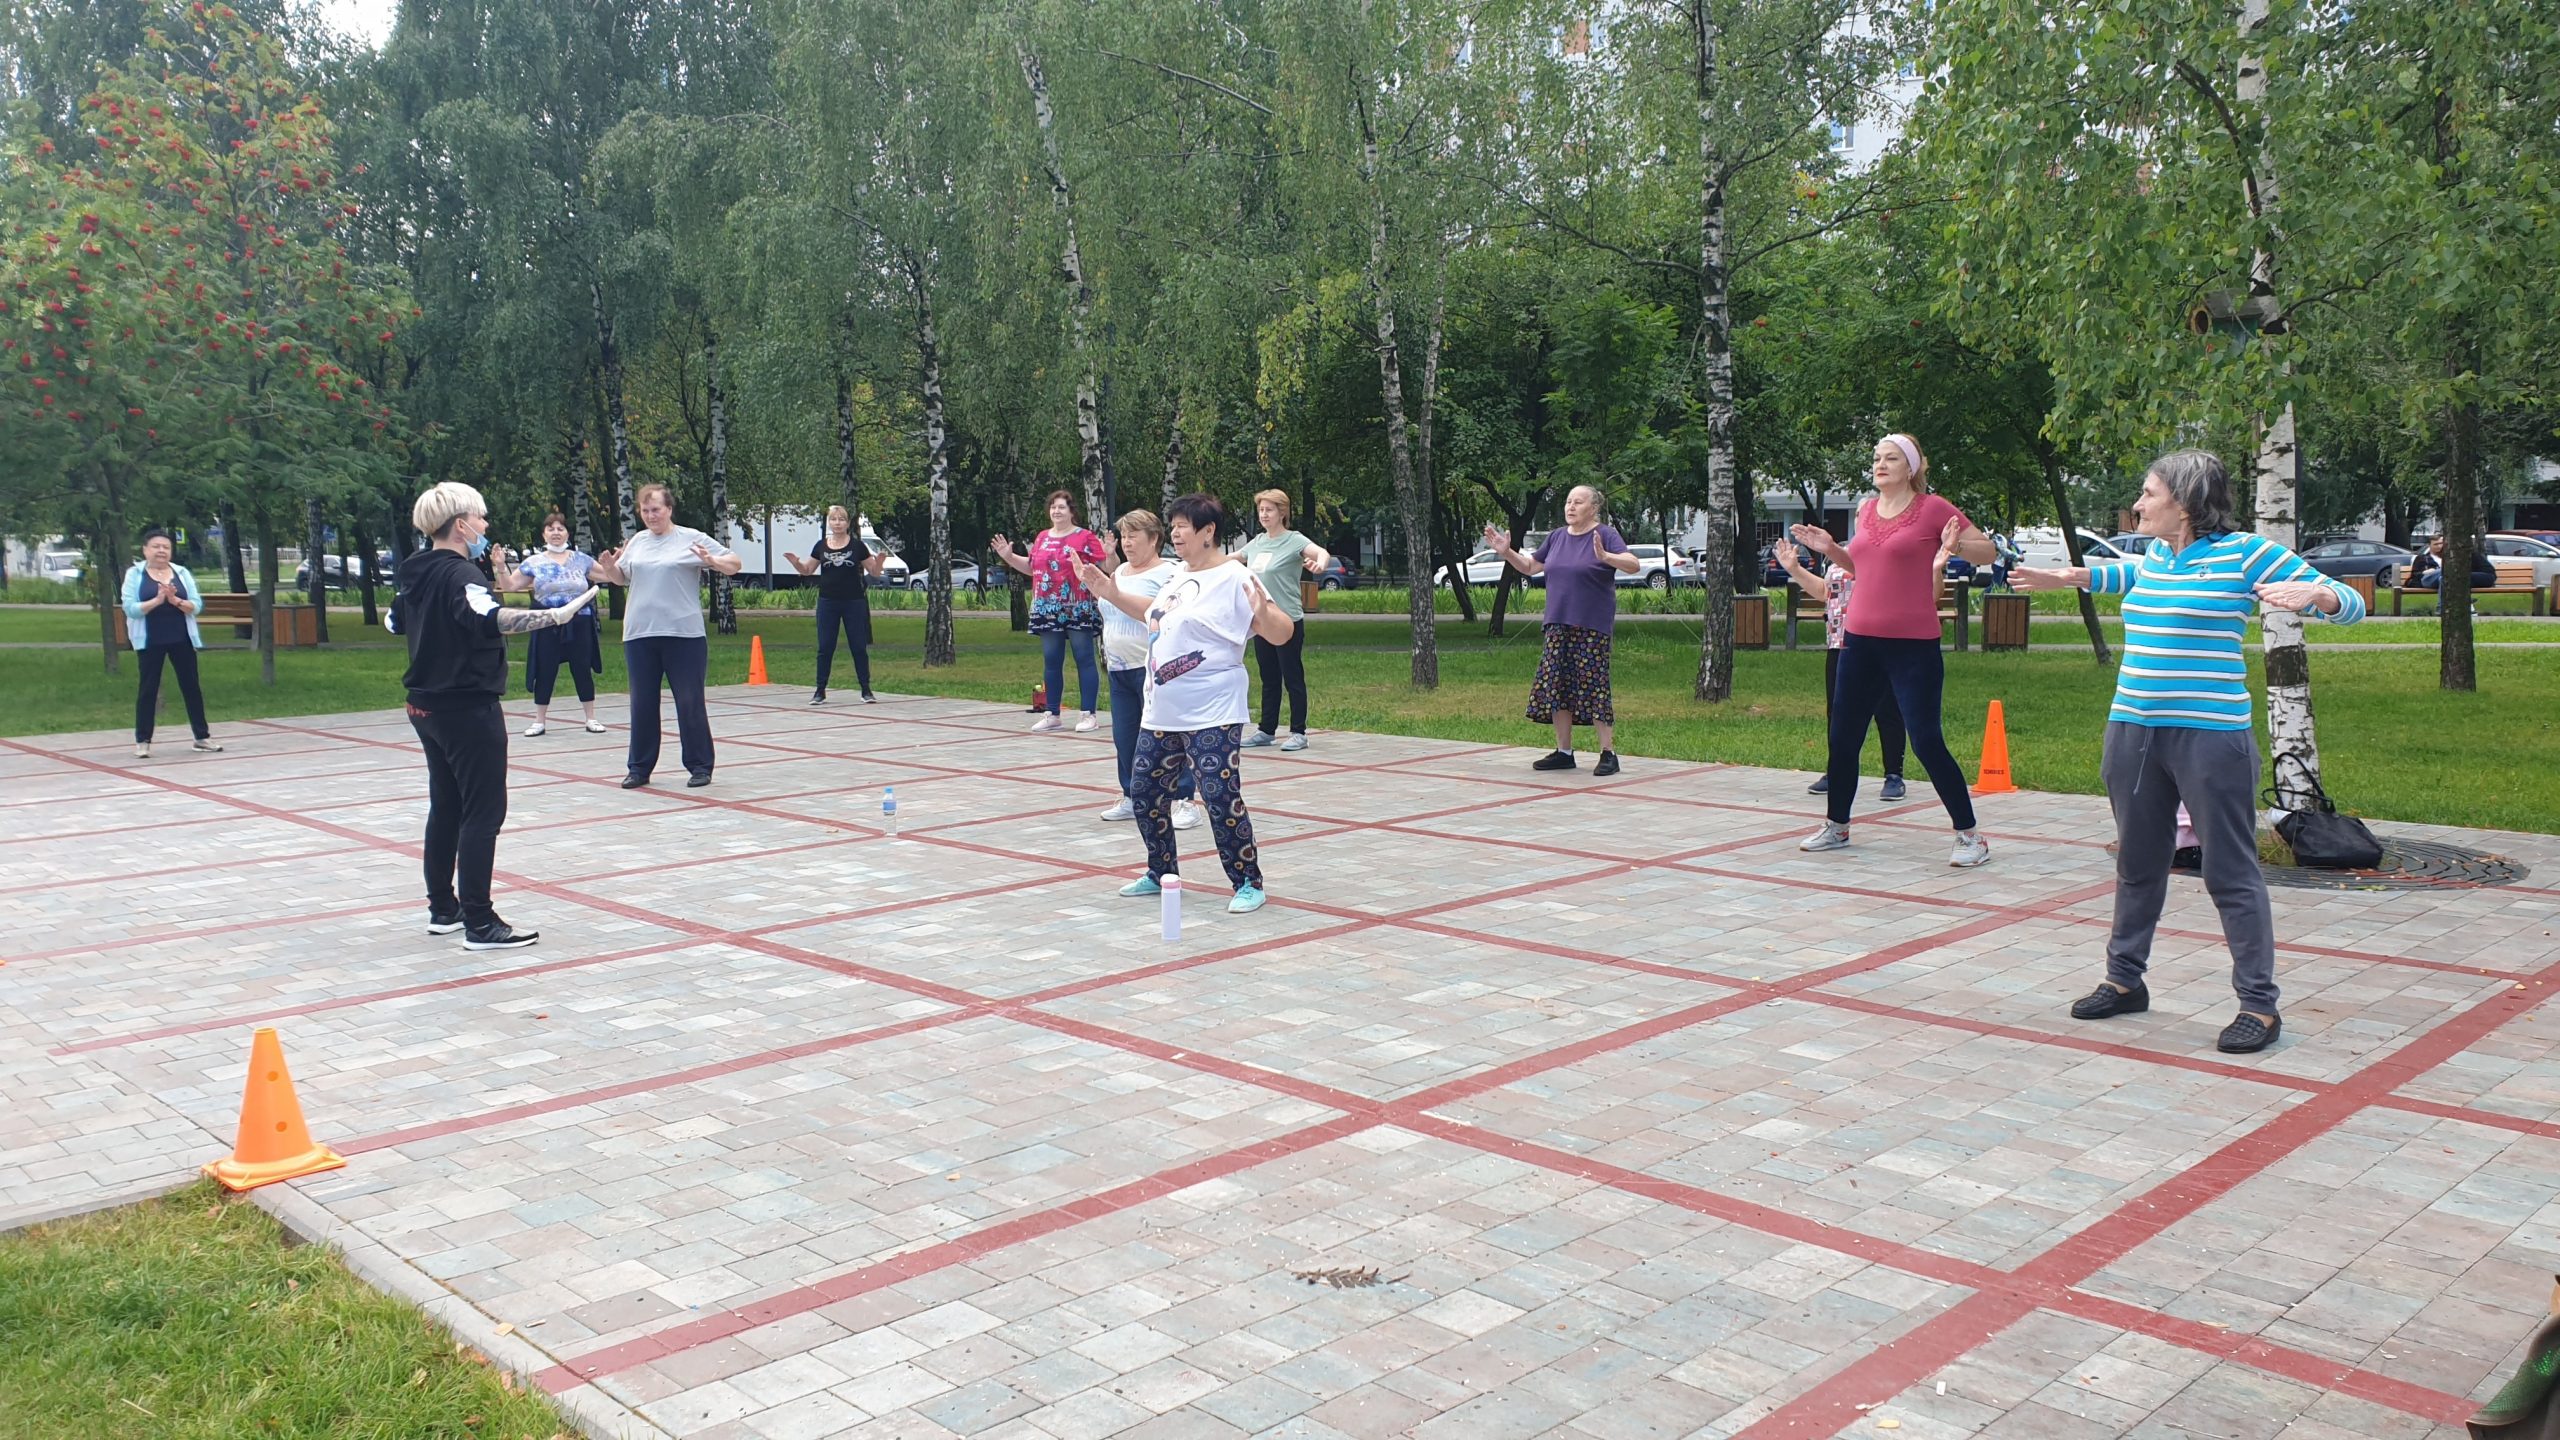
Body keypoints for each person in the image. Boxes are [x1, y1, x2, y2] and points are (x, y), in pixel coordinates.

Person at [2013, 448, 2364, 1054]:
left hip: (2210, 739)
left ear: (2186, 499)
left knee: (2230, 871)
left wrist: (2320, 599)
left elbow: (2349, 600)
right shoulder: (2157, 556)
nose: (2139, 504)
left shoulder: (2245, 553)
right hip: (2133, 732)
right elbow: (2127, 575)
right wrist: (2068, 577)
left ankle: (2259, 1006)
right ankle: (2124, 982)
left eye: (2149, 493)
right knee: (2138, 863)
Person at [390, 482, 596, 950]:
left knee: (447, 805)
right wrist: (554, 616)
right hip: (465, 705)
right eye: (481, 519)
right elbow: (491, 617)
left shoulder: (413, 571)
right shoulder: (461, 574)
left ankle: (444, 908)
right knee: (484, 811)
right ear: (461, 525)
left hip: (424, 704)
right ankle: (480, 923)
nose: (486, 526)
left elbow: (394, 621)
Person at [1076, 492, 1295, 913]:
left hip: (1212, 709)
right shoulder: (1178, 576)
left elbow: (1282, 631)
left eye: (1182, 526)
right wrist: (1107, 589)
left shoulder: (1235, 577)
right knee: (1144, 791)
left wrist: (1263, 617)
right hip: (1163, 710)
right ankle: (1161, 871)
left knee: (1218, 795)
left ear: (1208, 531)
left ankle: (1248, 881)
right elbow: (1153, 614)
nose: (1174, 533)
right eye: (1172, 525)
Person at [1790, 433, 2000, 865]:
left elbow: (1988, 552)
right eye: (1876, 458)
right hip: (1860, 641)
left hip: (1913, 645)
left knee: (1925, 740)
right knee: (1843, 736)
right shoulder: (1867, 510)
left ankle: (1970, 836)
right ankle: (1838, 825)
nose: (1880, 465)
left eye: (1891, 458)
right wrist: (1831, 549)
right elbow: (1863, 567)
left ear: (1912, 467)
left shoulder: (1933, 509)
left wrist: (1953, 544)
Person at [589, 483, 742, 788]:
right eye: (645, 511)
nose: (650, 515)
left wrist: (711, 561)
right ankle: (639, 768)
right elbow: (621, 578)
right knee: (642, 703)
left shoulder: (691, 537)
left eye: (656, 509)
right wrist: (609, 568)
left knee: (689, 701)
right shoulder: (638, 542)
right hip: (640, 634)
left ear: (669, 509)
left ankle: (700, 765)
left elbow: (735, 564)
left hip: (683, 634)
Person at [1480, 485, 1639, 775]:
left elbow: (1633, 564)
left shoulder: (1604, 535)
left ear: (1594, 508)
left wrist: (1606, 557)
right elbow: (1530, 567)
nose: (1571, 506)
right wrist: (1507, 552)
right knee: (1557, 685)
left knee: (1595, 687)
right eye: (1568, 501)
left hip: (1591, 626)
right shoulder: (1556, 537)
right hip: (1557, 624)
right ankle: (1564, 752)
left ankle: (1608, 753)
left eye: (1578, 502)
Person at [1774, 538, 1905, 800]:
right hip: (1839, 644)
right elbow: (1825, 591)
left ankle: (1894, 775)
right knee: (1837, 713)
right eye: (1859, 515)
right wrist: (1794, 569)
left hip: (1878, 643)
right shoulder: (1838, 554)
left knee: (1886, 710)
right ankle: (1837, 772)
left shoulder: (1886, 554)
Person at [1097, 509, 1201, 830]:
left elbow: (1161, 612)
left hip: (1156, 668)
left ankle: (1184, 799)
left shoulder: (1171, 572)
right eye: (1124, 536)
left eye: (1134, 536)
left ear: (1154, 538)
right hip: (1118, 667)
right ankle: (1131, 795)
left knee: (1167, 734)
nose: (1127, 542)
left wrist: (1112, 593)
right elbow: (1110, 608)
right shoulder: (1120, 571)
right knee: (1124, 736)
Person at [992, 490, 1106, 733]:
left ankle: (1089, 714)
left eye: (1062, 507)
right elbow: (1033, 568)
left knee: (1084, 657)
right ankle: (1052, 713)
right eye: (1053, 507)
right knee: (1051, 660)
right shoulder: (1042, 537)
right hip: (1047, 606)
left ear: (1072, 511)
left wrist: (1111, 555)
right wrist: (1009, 556)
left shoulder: (1085, 537)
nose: (1056, 511)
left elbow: (1103, 565)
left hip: (1078, 605)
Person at [496, 511, 607, 737]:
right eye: (551, 528)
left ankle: (591, 717)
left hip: (580, 621)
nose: (556, 533)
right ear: (543, 534)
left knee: (582, 668)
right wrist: (499, 566)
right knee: (544, 669)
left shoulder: (581, 559)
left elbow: (610, 575)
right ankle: (539, 720)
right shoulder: (534, 562)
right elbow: (509, 585)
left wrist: (617, 561)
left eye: (560, 528)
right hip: (547, 622)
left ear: (567, 532)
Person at [1239, 489, 1331, 752]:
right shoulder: (1256, 542)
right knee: (1268, 677)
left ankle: (1298, 732)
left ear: (1282, 512)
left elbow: (1320, 553)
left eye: (1269, 510)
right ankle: (1266, 730)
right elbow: (1230, 560)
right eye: (1261, 510)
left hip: (1288, 619)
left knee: (1292, 676)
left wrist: (1320, 564)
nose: (1263, 515)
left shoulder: (1294, 540)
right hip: (1261, 620)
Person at [120, 529, 222, 759]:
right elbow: (130, 608)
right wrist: (157, 600)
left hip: (181, 638)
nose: (161, 551)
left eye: (165, 547)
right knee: (148, 688)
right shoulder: (135, 574)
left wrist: (175, 600)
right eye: (156, 546)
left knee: (191, 687)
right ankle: (143, 741)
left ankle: (202, 737)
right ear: (145, 550)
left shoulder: (181, 572)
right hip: (150, 639)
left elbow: (196, 606)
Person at [786, 505, 885, 704]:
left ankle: (866, 690)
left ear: (848, 524)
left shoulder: (857, 546)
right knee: (825, 646)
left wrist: (880, 562)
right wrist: (796, 563)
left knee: (858, 646)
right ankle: (820, 691)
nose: (837, 523)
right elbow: (807, 570)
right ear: (829, 523)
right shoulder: (821, 545)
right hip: (828, 602)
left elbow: (874, 572)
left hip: (853, 602)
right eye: (833, 519)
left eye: (841, 519)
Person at [2408, 534, 2494, 592]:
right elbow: (2413, 577)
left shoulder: (2454, 556)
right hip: (2431, 580)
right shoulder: (2422, 559)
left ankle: (2444, 607)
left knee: (2447, 577)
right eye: (2436, 544)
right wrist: (2424, 572)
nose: (2439, 546)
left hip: (2450, 579)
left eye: (2441, 543)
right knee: (2448, 576)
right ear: (2429, 545)